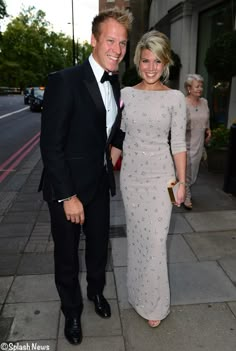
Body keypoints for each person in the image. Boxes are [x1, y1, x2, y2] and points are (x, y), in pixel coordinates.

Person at [38, 8, 133, 345]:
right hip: (67, 189)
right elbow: (51, 146)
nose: (117, 49)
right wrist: (68, 196)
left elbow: (114, 126)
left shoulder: (115, 80)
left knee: (97, 249)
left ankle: (95, 293)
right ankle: (72, 310)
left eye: (122, 43)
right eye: (110, 40)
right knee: (66, 256)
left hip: (98, 183)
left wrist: (112, 152)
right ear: (93, 40)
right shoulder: (64, 81)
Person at [111, 31, 186, 327]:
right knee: (139, 239)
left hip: (164, 180)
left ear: (165, 62)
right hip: (131, 179)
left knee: (156, 241)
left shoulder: (175, 98)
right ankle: (139, 294)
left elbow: (178, 144)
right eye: (146, 60)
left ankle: (155, 305)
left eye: (157, 61)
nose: (151, 67)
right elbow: (118, 139)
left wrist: (182, 184)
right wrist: (103, 170)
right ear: (138, 61)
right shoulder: (126, 95)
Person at [184, 74, 211, 209]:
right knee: (187, 171)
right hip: (186, 143)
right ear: (189, 88)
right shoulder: (183, 103)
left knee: (193, 172)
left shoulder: (204, 102)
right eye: (197, 86)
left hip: (199, 144)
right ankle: (186, 196)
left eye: (201, 86)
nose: (200, 89)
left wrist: (208, 130)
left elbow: (206, 117)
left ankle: (182, 189)